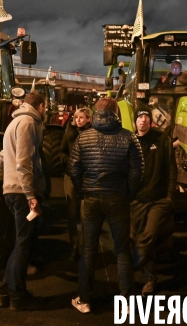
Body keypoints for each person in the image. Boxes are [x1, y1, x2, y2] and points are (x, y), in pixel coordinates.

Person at [69, 97, 144, 314]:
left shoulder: (84, 137)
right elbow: (138, 171)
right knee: (122, 250)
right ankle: (128, 302)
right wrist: (128, 193)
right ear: (116, 113)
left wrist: (84, 189)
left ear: (95, 113)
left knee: (89, 248)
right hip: (117, 197)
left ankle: (84, 299)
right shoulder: (128, 137)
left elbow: (74, 168)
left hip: (91, 198)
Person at [0, 91, 46, 311]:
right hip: (21, 191)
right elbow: (24, 161)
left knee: (20, 243)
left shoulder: (14, 121)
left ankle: (6, 292)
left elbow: (2, 156)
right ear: (41, 106)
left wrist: (4, 178)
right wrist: (30, 195)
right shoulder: (27, 123)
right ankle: (17, 297)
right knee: (23, 244)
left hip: (12, 189)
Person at [130, 105, 177, 297]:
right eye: (139, 118)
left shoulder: (162, 140)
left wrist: (170, 196)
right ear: (135, 121)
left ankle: (134, 265)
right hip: (136, 199)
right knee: (138, 236)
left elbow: (171, 169)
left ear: (151, 121)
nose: (142, 120)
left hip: (158, 199)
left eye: (145, 117)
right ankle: (150, 278)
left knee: (147, 235)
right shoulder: (129, 142)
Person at [58, 107, 93, 262]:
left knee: (86, 214)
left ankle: (86, 248)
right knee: (72, 213)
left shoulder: (93, 134)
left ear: (88, 119)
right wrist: (69, 161)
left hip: (87, 177)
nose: (78, 120)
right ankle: (75, 247)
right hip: (71, 176)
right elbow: (61, 152)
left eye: (81, 117)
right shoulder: (69, 132)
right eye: (76, 117)